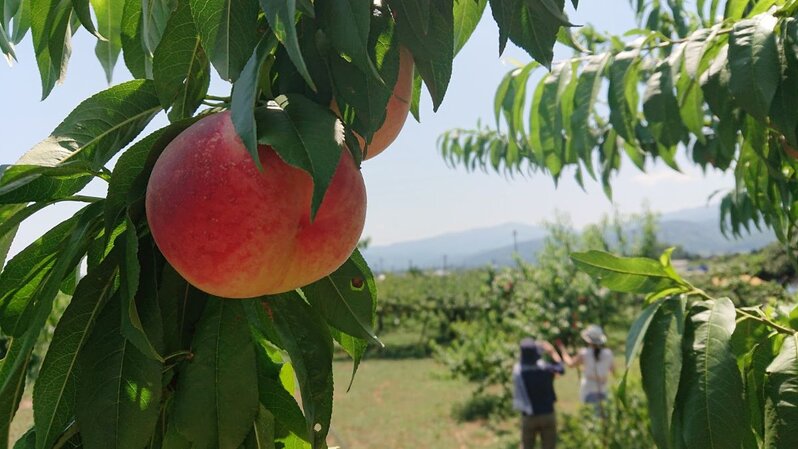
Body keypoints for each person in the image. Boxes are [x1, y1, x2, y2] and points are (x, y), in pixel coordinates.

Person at [512, 338, 565, 449]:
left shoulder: (519, 372)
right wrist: (552, 352)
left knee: (527, 446)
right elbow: (561, 369)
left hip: (528, 416)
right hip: (547, 414)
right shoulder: (546, 370)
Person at [557, 324, 615, 406]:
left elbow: (570, 364)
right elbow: (613, 370)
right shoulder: (608, 353)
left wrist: (562, 350)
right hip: (603, 389)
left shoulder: (584, 353)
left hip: (588, 390)